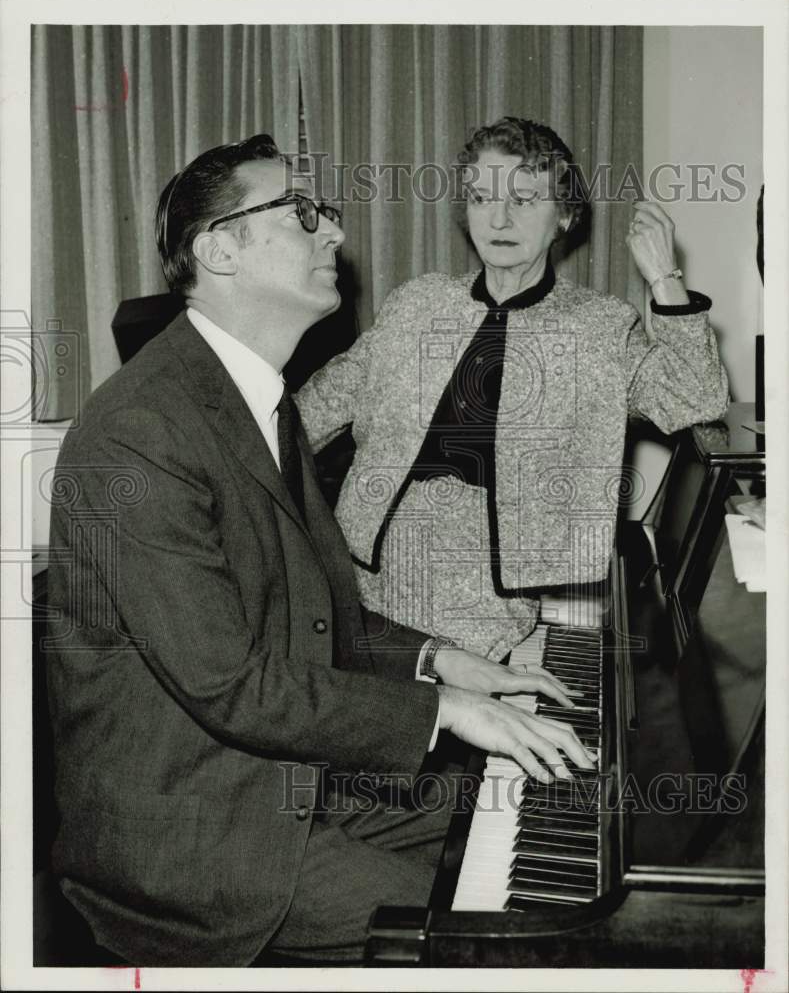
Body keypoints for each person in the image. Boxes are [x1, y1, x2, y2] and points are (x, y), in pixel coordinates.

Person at [45, 133, 595, 967]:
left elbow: (317, 619)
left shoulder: (258, 401)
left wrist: (446, 664)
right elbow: (232, 683)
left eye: (325, 214)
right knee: (504, 943)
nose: (334, 233)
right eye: (302, 215)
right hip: (194, 832)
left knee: (541, 812)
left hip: (285, 781)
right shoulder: (142, 432)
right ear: (220, 248)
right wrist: (449, 712)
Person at [295, 116, 729, 660]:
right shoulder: (419, 303)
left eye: (523, 200)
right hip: (364, 576)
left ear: (564, 216)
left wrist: (665, 277)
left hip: (488, 601)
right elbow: (311, 411)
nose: (498, 217)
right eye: (481, 197)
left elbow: (696, 395)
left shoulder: (598, 326)